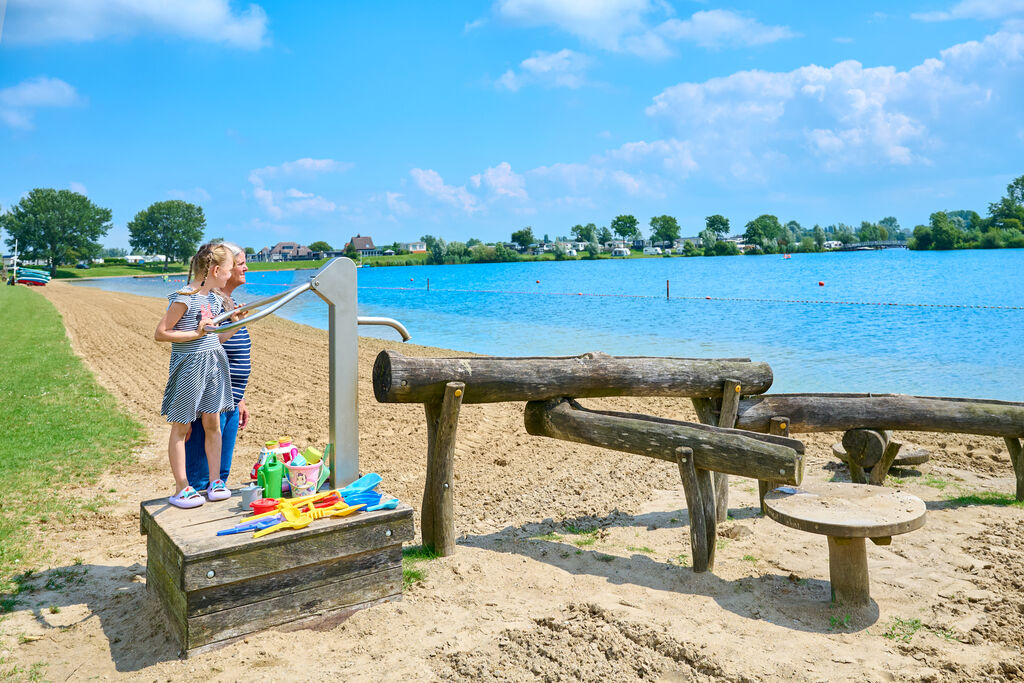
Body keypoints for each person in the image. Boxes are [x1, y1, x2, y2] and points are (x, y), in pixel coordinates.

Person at [154, 244, 236, 508]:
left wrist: (238, 321)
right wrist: (196, 334)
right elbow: (161, 333)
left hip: (213, 364)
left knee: (213, 424)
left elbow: (215, 338)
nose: (229, 275)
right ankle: (181, 487)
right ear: (214, 270)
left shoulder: (213, 298)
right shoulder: (183, 297)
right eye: (228, 270)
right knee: (182, 427)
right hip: (190, 368)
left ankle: (215, 481)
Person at [185, 242, 251, 493]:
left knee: (219, 479)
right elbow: (197, 352)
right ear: (221, 268)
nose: (246, 268)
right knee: (202, 480)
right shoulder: (207, 304)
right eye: (240, 263)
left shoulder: (228, 303)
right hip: (209, 405)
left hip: (230, 401)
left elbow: (227, 355)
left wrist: (240, 397)